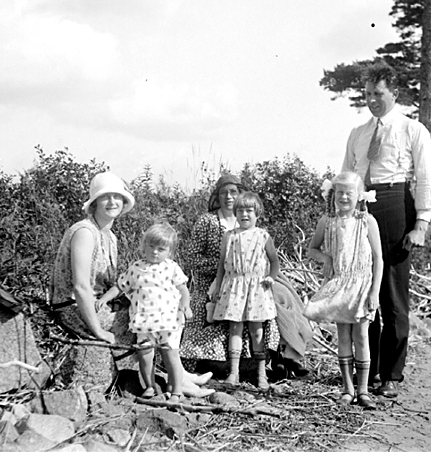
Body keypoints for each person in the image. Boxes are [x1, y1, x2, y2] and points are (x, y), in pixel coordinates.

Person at [342, 60, 431, 398]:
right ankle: (366, 370)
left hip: (396, 205)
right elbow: (347, 176)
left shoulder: (413, 129)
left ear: (394, 94)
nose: (372, 100)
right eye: (368, 94)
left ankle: (391, 376)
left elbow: (427, 176)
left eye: (378, 94)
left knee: (393, 295)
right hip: (361, 209)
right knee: (362, 291)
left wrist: (421, 224)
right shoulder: (358, 133)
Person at [179, 175, 282, 377]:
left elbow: (271, 259)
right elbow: (195, 257)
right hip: (218, 282)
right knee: (204, 311)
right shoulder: (209, 222)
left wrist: (267, 275)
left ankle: (276, 361)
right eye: (223, 192)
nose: (228, 196)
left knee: (277, 310)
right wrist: (225, 274)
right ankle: (204, 364)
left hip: (254, 282)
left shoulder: (259, 231)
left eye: (233, 192)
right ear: (217, 196)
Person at [304, 171, 383, 409]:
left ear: (359, 195)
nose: (344, 197)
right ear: (333, 194)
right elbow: (312, 249)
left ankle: (363, 390)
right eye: (340, 192)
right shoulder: (327, 221)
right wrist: (326, 258)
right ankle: (348, 389)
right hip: (340, 284)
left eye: (349, 193)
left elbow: (378, 258)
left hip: (362, 284)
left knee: (362, 335)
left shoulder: (367, 221)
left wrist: (375, 292)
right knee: (344, 336)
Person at [49, 171, 134, 389]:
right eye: (105, 197)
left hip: (97, 303)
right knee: (142, 320)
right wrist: (97, 331)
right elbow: (80, 287)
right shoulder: (85, 232)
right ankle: (164, 379)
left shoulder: (111, 237)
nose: (112, 202)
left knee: (151, 312)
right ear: (94, 203)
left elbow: (105, 286)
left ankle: (174, 377)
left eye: (117, 196)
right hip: (72, 306)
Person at [97, 223, 191, 403]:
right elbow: (120, 286)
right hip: (144, 322)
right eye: (151, 246)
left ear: (169, 251)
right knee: (145, 355)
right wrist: (104, 299)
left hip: (168, 321)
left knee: (170, 355)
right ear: (144, 245)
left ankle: (176, 391)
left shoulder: (171, 267)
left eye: (161, 249)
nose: (155, 252)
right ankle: (149, 386)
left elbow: (183, 289)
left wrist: (185, 306)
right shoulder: (136, 268)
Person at [211, 192, 280, 390]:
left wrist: (271, 276)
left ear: (257, 213)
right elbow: (222, 264)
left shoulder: (263, 236)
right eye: (240, 210)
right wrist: (218, 286)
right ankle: (234, 372)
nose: (244, 214)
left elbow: (274, 261)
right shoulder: (229, 236)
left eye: (249, 210)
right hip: (234, 286)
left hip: (256, 287)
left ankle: (261, 373)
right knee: (235, 328)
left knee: (257, 331)